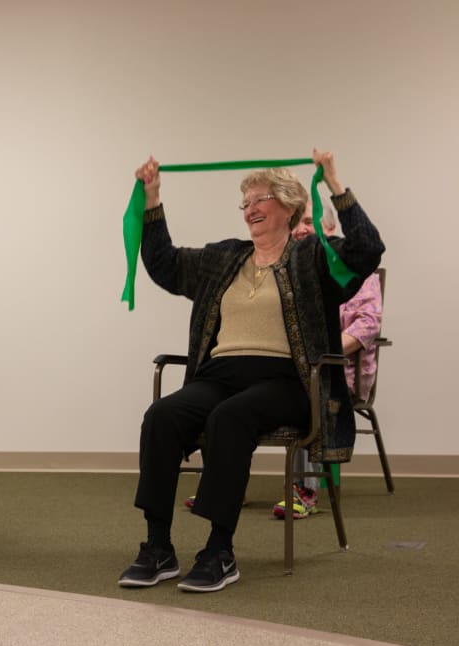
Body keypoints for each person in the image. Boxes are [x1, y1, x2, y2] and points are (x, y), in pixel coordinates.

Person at [118, 149, 384, 593]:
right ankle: (158, 547)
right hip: (219, 376)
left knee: (229, 419)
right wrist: (151, 196)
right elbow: (164, 264)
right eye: (244, 203)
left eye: (259, 198)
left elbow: (367, 250)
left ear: (289, 205)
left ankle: (219, 550)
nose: (250, 209)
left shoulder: (315, 258)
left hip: (287, 380)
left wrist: (335, 182)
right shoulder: (225, 258)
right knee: (161, 416)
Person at [271, 199, 383, 519]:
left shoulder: (356, 271)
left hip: (339, 372)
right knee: (232, 387)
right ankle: (221, 485)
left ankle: (304, 490)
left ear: (331, 229)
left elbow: (368, 324)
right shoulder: (283, 271)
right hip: (291, 369)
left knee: (309, 394)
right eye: (295, 224)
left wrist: (321, 351)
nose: (302, 229)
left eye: (310, 221)